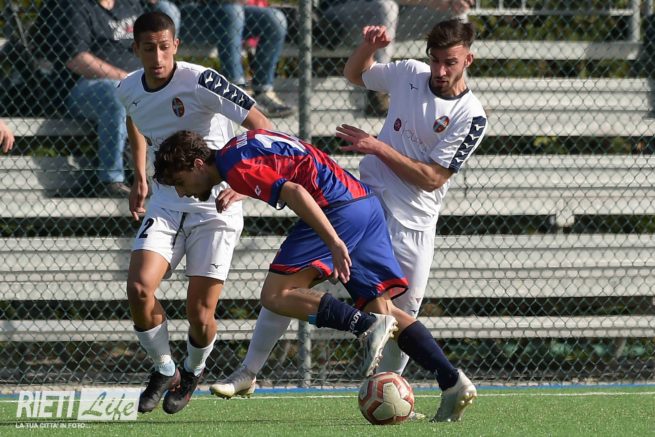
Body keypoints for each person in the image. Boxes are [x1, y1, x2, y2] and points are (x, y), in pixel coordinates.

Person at [212, 18, 487, 423]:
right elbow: (356, 74)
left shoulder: (471, 115)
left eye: (450, 62)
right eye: (435, 60)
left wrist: (377, 146)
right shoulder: (410, 73)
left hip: (410, 225)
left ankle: (416, 394)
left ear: (468, 60)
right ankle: (248, 372)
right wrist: (368, 46)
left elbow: (432, 178)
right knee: (291, 280)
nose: (440, 71)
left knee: (394, 315)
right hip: (362, 202)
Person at [154, 128, 478, 422]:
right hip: (363, 202)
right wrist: (248, 187)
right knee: (385, 310)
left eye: (180, 182)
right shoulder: (237, 148)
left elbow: (295, 191)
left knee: (276, 294)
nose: (182, 193)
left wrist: (334, 242)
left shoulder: (234, 168)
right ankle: (452, 381)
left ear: (198, 164)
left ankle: (363, 326)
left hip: (337, 210)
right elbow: (289, 159)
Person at [114, 11, 271, 415]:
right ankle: (165, 368)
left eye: (164, 47)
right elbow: (135, 117)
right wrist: (140, 176)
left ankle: (193, 369)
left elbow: (263, 126)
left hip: (216, 204)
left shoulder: (202, 80)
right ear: (136, 49)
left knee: (199, 314)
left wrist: (244, 183)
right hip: (166, 202)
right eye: (148, 48)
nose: (157, 57)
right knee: (139, 289)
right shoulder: (127, 87)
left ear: (176, 46)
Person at [36, 0, 180, 197]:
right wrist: (128, 80)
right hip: (86, 87)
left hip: (137, 85)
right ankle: (111, 179)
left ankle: (162, 175)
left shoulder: (131, 4)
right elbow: (77, 60)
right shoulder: (76, 6)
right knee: (115, 92)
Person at [317, 0, 474, 115]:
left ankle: (458, 94)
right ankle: (378, 92)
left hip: (392, 20)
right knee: (386, 6)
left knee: (456, 10)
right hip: (339, 18)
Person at [178, 1, 295, 118]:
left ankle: (262, 91)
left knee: (275, 19)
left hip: (226, 14)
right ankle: (237, 93)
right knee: (232, 11)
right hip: (186, 15)